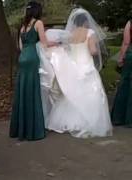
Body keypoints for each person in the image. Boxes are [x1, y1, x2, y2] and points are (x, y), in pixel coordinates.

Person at [39, 8, 112, 138]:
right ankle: (89, 121)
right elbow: (93, 51)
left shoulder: (70, 34)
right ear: (85, 22)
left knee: (73, 94)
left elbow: (67, 49)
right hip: (87, 66)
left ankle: (69, 121)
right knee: (92, 93)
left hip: (74, 67)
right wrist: (95, 49)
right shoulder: (90, 32)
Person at [9, 1, 56, 141]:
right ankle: (32, 130)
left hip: (23, 57)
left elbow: (20, 46)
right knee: (32, 91)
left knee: (22, 91)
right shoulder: (38, 23)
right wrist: (58, 43)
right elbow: (44, 42)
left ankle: (20, 129)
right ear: (37, 11)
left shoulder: (23, 26)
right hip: (32, 58)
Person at [111, 20, 132, 126]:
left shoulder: (130, 22)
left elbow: (126, 42)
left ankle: (120, 118)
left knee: (125, 84)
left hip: (131, 55)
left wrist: (121, 57)